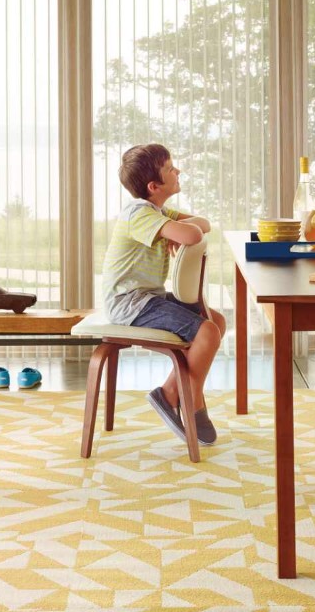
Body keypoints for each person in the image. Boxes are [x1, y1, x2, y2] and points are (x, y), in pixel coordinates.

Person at [100, 143, 227, 445]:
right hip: (130, 303)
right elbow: (193, 233)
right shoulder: (139, 213)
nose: (178, 170)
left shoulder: (158, 211)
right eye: (171, 168)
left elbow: (204, 224)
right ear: (154, 186)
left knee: (217, 322)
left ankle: (171, 392)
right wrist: (176, 229)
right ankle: (191, 399)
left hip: (147, 299)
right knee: (207, 332)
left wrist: (172, 227)